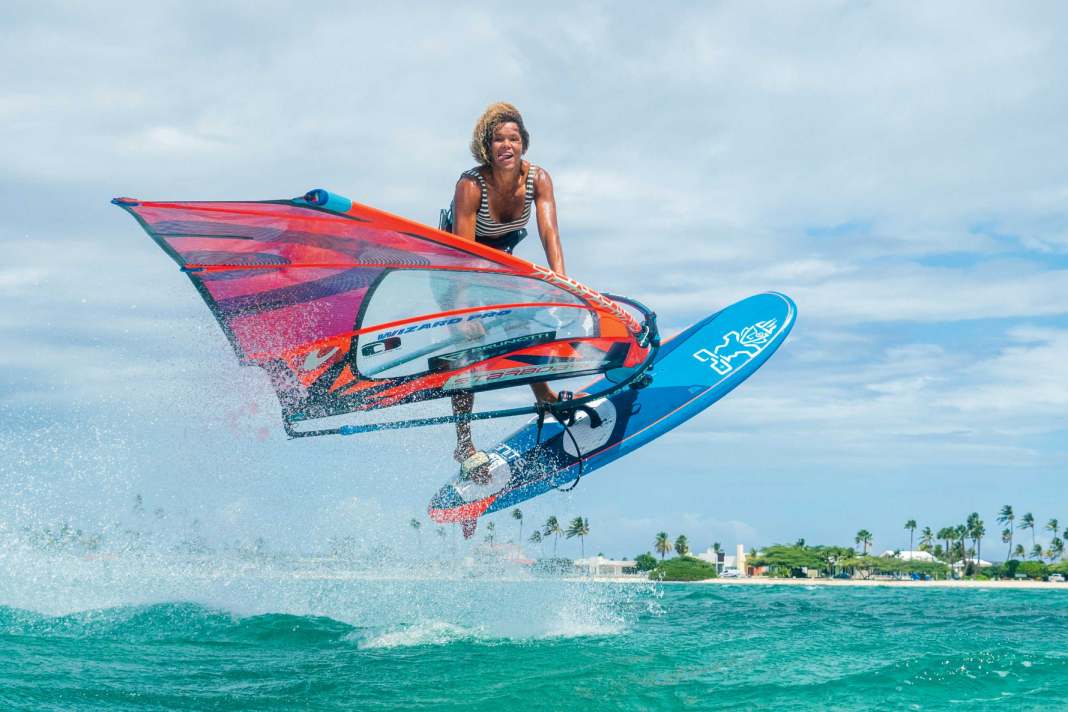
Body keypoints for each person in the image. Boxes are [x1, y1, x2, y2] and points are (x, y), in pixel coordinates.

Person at [445, 102, 575, 479]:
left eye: (514, 139)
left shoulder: (539, 179)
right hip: (454, 267)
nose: (507, 145)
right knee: (466, 350)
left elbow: (549, 231)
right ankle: (464, 443)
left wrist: (562, 282)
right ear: (487, 147)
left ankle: (545, 396)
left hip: (499, 266)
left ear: (524, 144)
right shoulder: (470, 185)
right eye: (499, 139)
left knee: (524, 325)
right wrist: (465, 310)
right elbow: (464, 254)